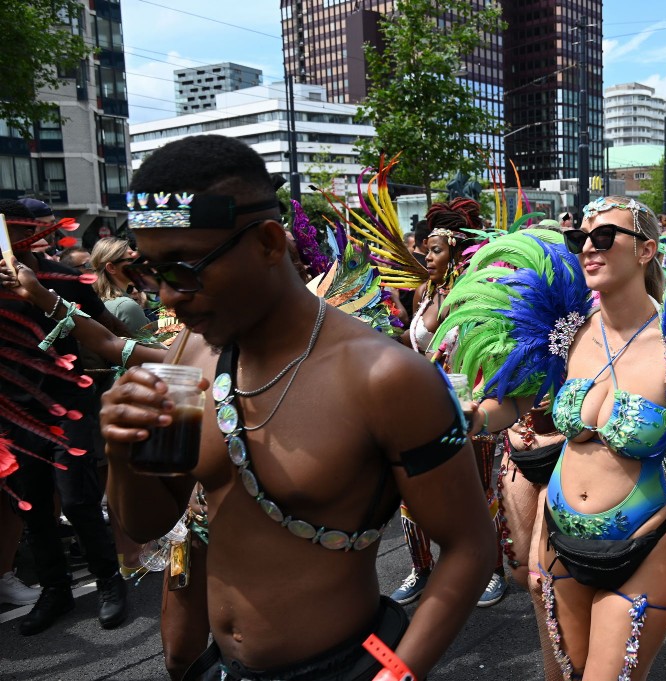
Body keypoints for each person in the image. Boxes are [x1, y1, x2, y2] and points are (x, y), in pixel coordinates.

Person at [100, 135, 494, 681]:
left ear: (267, 243)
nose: (166, 297)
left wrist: (395, 676)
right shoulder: (187, 355)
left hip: (358, 663)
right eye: (151, 272)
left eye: (184, 269)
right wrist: (121, 452)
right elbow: (150, 519)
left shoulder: (388, 378)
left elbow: (471, 548)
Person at [434, 196, 666, 679]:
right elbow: (514, 404)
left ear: (646, 250)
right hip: (558, 544)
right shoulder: (565, 333)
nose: (589, 248)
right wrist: (472, 418)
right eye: (580, 240)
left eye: (605, 237)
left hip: (638, 550)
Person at [0, 200, 131, 636]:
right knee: (35, 507)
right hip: (16, 412)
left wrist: (155, 345)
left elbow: (106, 327)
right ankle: (55, 590)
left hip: (68, 403)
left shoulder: (63, 279)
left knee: (76, 500)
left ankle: (110, 582)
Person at [393, 199, 508, 608]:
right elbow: (413, 344)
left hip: (469, 403)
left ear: (457, 251)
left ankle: (492, 570)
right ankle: (420, 568)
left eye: (435, 249)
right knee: (411, 488)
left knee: (477, 489)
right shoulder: (424, 291)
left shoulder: (475, 292)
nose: (426, 255)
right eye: (425, 248)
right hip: (424, 403)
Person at [90, 237, 150, 334]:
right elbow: (148, 347)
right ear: (111, 268)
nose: (138, 263)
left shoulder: (98, 301)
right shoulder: (126, 306)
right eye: (131, 259)